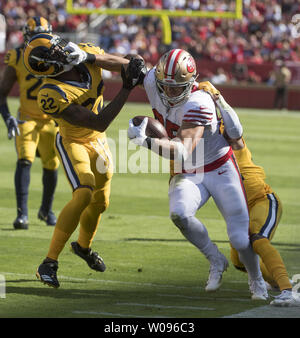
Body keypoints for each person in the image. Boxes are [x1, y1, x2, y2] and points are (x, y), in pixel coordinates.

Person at [127, 48, 268, 300]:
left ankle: (256, 280)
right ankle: (215, 259)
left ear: (190, 83)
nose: (170, 92)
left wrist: (145, 142)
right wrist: (88, 57)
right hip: (190, 171)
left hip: (219, 167)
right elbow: (129, 66)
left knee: (238, 236)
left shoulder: (199, 101)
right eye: (166, 86)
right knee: (179, 213)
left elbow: (181, 150)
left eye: (176, 87)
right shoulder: (152, 82)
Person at [23, 32, 146, 288]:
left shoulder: (83, 52)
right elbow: (100, 122)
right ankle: (49, 262)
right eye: (55, 51)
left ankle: (83, 247)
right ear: (49, 66)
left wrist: (91, 56)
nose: (62, 48)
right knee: (84, 194)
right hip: (74, 141)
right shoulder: (51, 93)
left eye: (58, 44)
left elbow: (128, 63)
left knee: (101, 202)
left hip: (98, 142)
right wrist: (126, 87)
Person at [199, 81, 299, 307]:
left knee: (257, 237)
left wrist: (218, 98)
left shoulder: (228, 133)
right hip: (240, 211)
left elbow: (234, 130)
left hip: (263, 199)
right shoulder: (202, 148)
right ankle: (278, 282)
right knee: (239, 260)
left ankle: (288, 290)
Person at [0, 17, 60, 229]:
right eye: (35, 37)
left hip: (51, 120)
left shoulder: (59, 56)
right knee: (25, 160)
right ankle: (22, 214)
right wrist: (7, 117)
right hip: (27, 117)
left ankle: (46, 210)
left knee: (52, 165)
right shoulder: (17, 56)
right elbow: (1, 93)